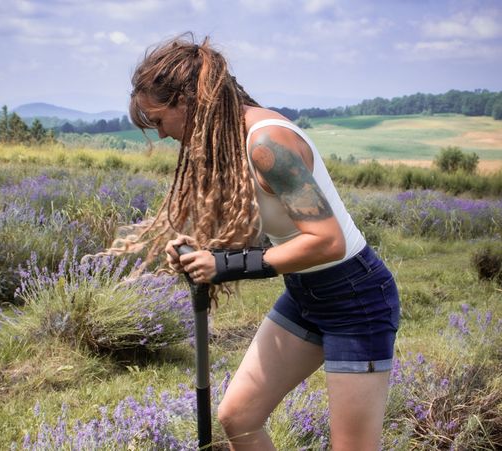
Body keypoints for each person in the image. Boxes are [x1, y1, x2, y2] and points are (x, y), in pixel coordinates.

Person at [122, 33, 400, 450]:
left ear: (186, 100)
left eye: (159, 121)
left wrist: (226, 266)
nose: (161, 136)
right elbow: (275, 229)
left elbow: (328, 242)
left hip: (355, 299)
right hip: (305, 296)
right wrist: (203, 252)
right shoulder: (231, 140)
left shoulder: (268, 144)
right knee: (240, 416)